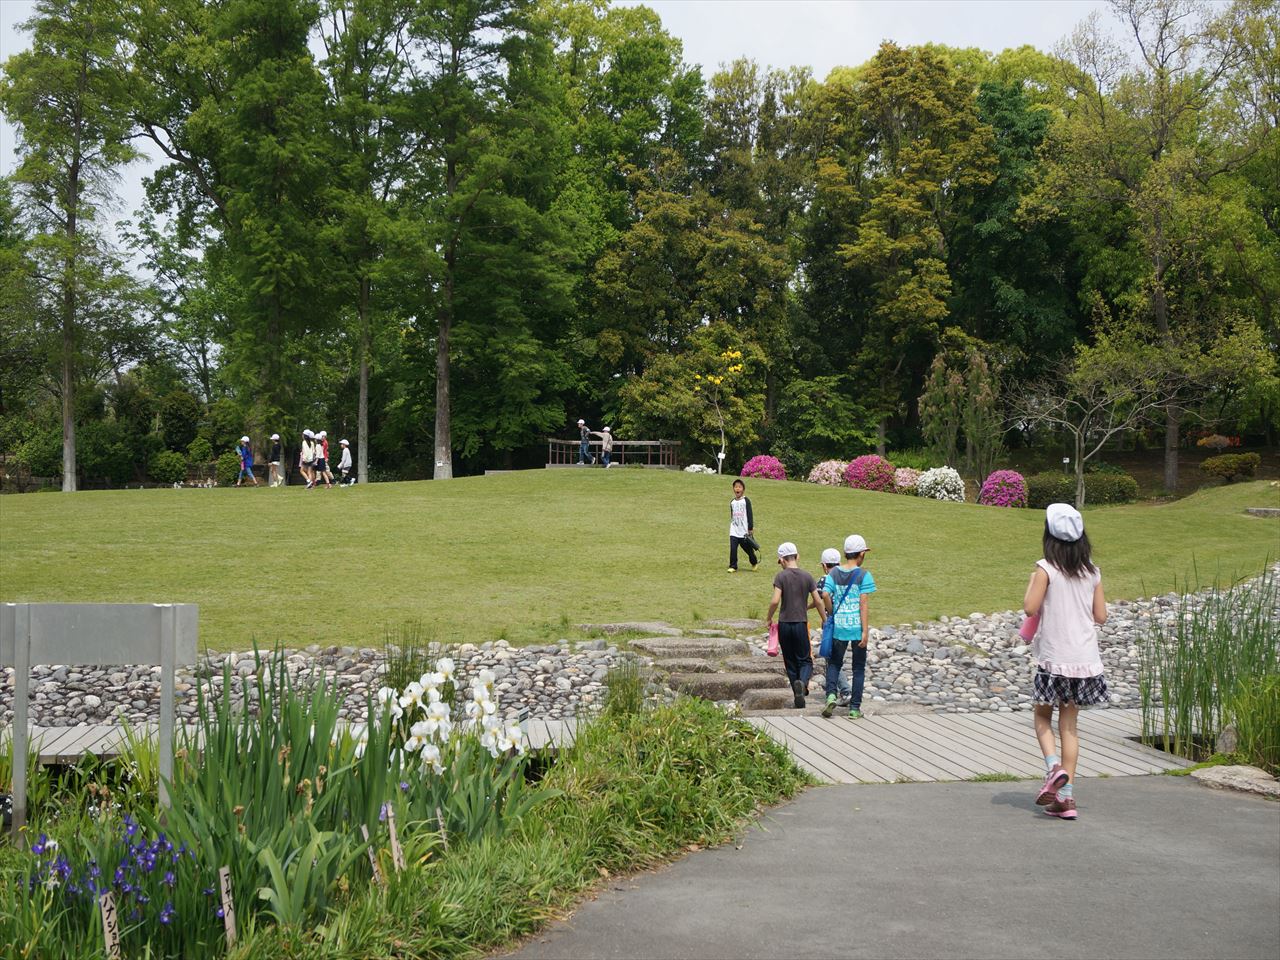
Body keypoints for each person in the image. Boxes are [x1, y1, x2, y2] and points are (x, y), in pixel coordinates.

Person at [1023, 503, 1108, 822]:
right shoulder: (1092, 572)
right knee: (1070, 727)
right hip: (1085, 661)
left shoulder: (1046, 569)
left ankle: (1053, 768)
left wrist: (1033, 583)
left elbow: (1030, 608)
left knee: (1043, 718)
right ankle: (1067, 798)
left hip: (1054, 660)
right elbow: (1101, 615)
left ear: (1049, 536)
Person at [820, 535, 877, 719]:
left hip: (839, 626)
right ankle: (854, 708)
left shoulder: (834, 573)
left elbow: (825, 594)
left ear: (845, 553)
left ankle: (830, 695)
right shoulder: (863, 575)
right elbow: (864, 604)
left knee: (835, 663)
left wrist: (832, 611)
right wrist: (865, 630)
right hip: (856, 626)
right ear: (861, 554)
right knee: (858, 668)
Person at [765, 542, 825, 708]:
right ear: (797, 556)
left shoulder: (780, 577)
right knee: (805, 660)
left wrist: (769, 618)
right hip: (800, 624)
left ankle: (797, 693)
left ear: (782, 560)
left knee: (790, 661)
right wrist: (825, 620)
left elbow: (775, 600)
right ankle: (802, 683)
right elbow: (818, 601)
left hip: (784, 624)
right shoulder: (807, 576)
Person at [816, 548, 853, 706]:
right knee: (836, 657)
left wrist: (828, 615)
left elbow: (820, 597)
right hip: (847, 622)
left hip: (832, 623)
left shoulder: (825, 579)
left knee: (831, 658)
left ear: (824, 565)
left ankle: (844, 690)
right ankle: (834, 689)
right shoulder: (847, 577)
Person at [727, 478, 758, 573]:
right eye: (736, 487)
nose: (737, 488)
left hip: (744, 531)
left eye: (739, 487)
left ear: (743, 489)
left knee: (748, 549)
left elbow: (750, 514)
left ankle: (754, 562)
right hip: (734, 530)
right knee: (733, 548)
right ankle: (733, 566)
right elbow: (732, 515)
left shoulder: (746, 501)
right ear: (733, 489)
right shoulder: (732, 502)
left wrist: (750, 528)